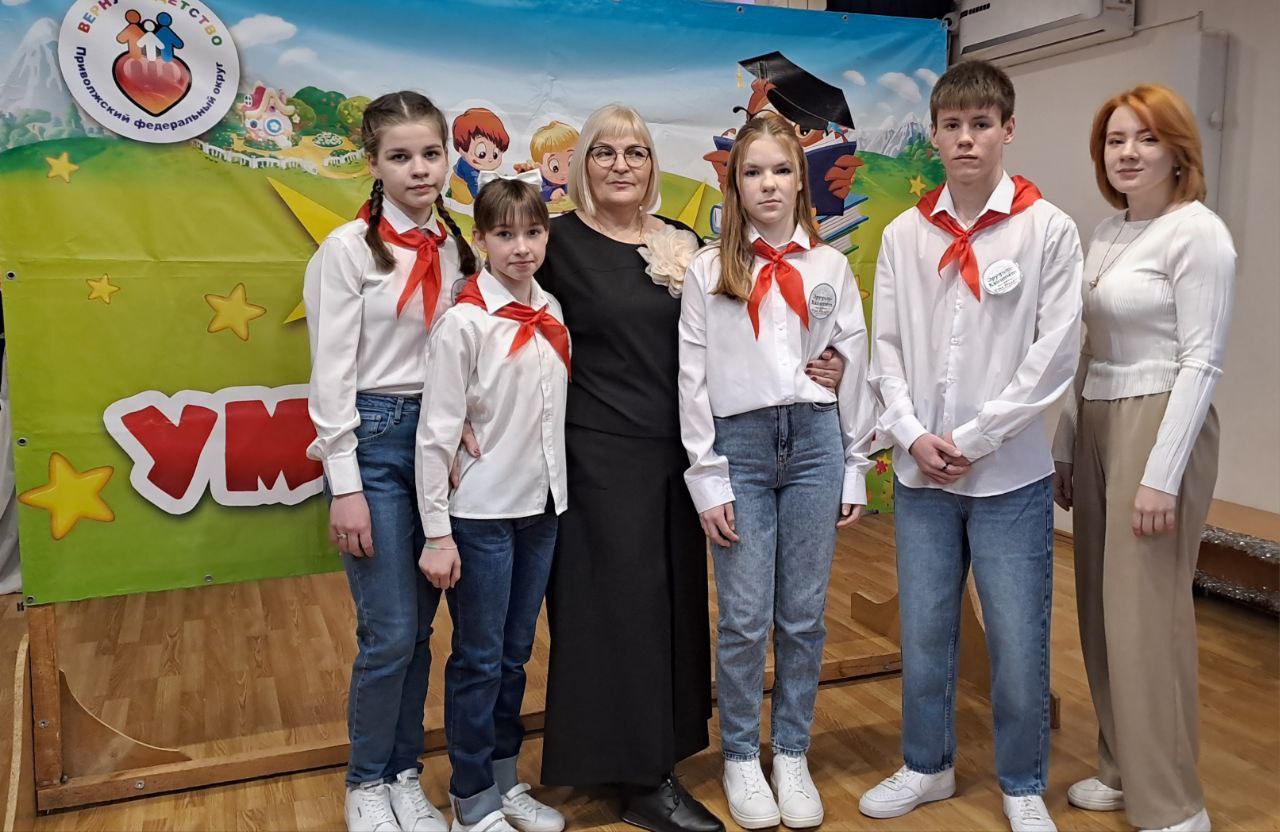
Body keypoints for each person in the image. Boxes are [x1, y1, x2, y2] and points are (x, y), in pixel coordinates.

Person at [536, 103, 846, 832]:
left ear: (652, 164)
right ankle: (635, 776)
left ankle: (661, 752)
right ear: (581, 164)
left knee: (670, 612)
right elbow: (504, 323)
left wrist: (827, 361)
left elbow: (734, 340)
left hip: (680, 456)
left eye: (636, 152)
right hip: (600, 454)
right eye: (605, 152)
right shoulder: (555, 243)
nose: (621, 165)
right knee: (615, 612)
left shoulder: (682, 243)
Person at [859, 60, 1083, 832]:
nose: (966, 139)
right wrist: (913, 434)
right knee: (925, 632)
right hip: (921, 473)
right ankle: (928, 765)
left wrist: (977, 436)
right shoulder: (905, 234)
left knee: (1018, 638)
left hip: (1010, 476)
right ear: (934, 134)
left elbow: (1054, 355)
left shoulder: (1047, 229)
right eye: (952, 125)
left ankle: (1021, 780)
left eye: (981, 124)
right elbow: (886, 346)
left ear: (1007, 130)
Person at [678, 112, 874, 830]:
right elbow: (692, 380)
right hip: (741, 450)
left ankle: (791, 751)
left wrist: (855, 464)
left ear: (801, 181)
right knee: (744, 615)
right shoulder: (708, 271)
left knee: (803, 614)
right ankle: (740, 755)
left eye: (781, 170)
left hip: (816, 443)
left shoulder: (829, 268)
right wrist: (707, 478)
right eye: (753, 171)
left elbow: (854, 361)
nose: (768, 184)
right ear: (734, 184)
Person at [1051, 84, 1234, 832]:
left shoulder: (1199, 234)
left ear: (1178, 150)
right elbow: (1087, 347)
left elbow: (1203, 361)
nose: (1127, 153)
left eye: (1146, 138)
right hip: (1097, 415)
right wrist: (1066, 442)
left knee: (1145, 615)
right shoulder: (1108, 231)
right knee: (1100, 608)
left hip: (1158, 421)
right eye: (1115, 140)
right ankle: (1123, 767)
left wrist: (1162, 474)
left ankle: (1175, 802)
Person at [304, 90, 475, 832]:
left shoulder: (460, 245)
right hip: (372, 440)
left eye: (431, 154)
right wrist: (344, 483)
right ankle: (366, 781)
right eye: (401, 157)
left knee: (425, 629)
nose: (420, 170)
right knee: (391, 630)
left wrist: (466, 426)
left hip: (438, 442)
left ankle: (406, 771)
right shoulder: (347, 250)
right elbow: (330, 374)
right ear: (373, 163)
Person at [416, 177, 570, 832]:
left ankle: (506, 780)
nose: (521, 247)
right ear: (479, 239)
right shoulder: (464, 322)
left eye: (533, 232)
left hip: (541, 510)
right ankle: (471, 795)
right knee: (479, 658)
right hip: (480, 515)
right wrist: (437, 532)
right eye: (504, 234)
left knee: (514, 655)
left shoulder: (552, 309)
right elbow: (436, 434)